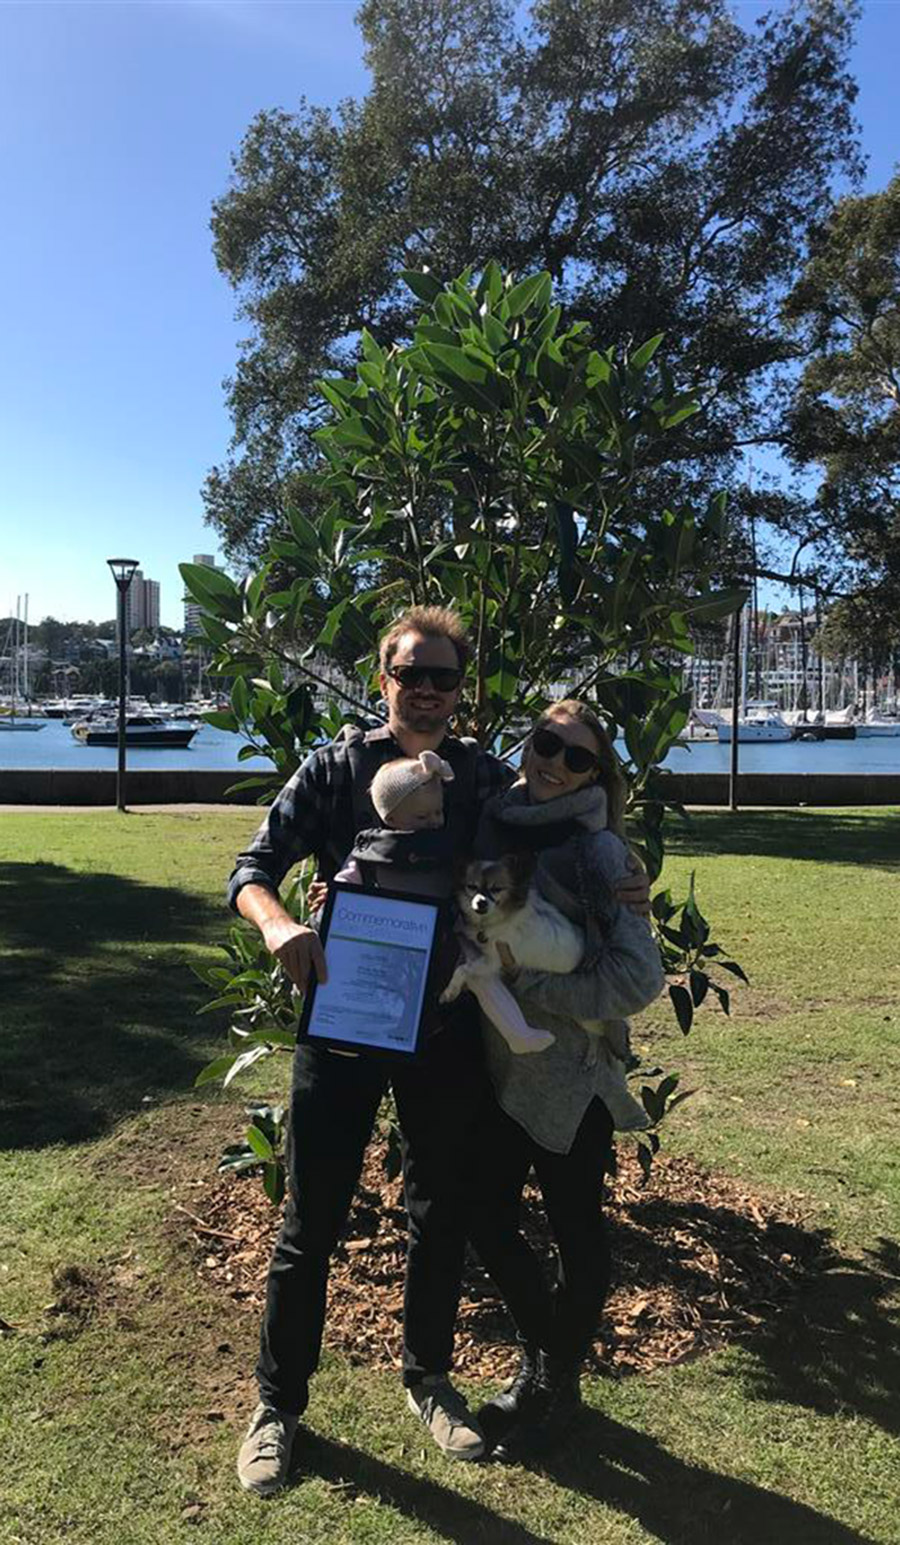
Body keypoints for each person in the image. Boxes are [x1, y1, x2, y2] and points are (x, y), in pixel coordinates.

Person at [229, 608, 650, 1494]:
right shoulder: (336, 768)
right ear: (382, 677)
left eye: (444, 677)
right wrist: (278, 925)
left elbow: (563, 828)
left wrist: (627, 873)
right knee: (311, 1223)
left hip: (445, 1032)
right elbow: (253, 866)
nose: (426, 688)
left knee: (439, 1214)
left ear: (460, 692)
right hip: (344, 1029)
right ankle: (278, 1407)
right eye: (409, 672)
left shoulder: (486, 782)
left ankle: (428, 1381)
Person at [464, 700, 666, 1461]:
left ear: (597, 774)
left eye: (577, 757)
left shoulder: (600, 854)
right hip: (497, 1067)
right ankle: (545, 1362)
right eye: (547, 743)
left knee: (577, 1233)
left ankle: (555, 1380)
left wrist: (527, 988)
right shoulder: (496, 816)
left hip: (572, 1077)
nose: (554, 761)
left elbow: (639, 977)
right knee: (485, 1214)